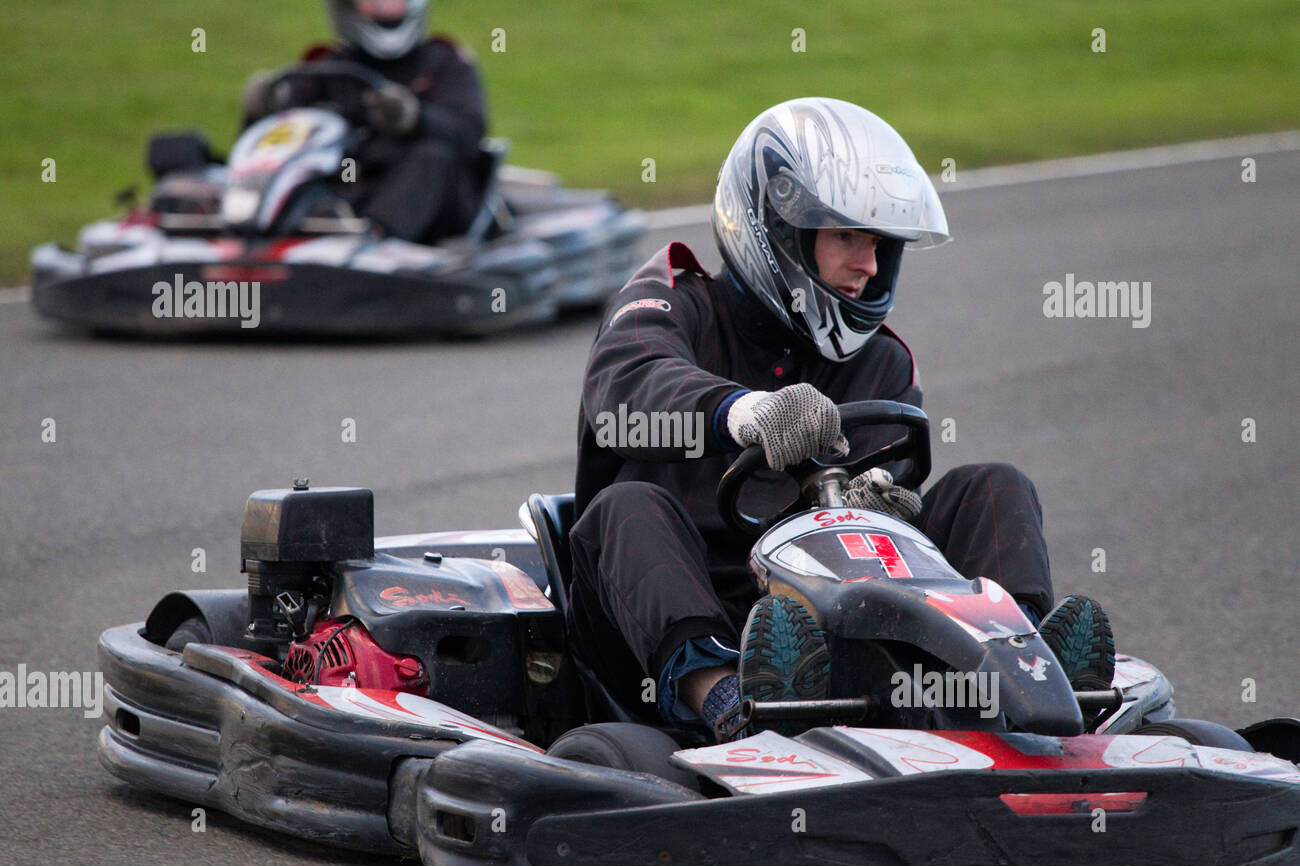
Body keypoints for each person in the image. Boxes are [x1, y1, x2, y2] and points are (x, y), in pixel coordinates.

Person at [566, 97, 1115, 740]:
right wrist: (747, 414)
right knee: (626, 506)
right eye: (847, 237)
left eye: (879, 243)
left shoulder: (880, 362)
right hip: (669, 609)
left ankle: (1021, 674)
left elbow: (884, 527)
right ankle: (730, 706)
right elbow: (626, 384)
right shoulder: (672, 301)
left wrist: (880, 507)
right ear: (777, 230)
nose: (869, 265)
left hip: (822, 614)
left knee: (993, 485)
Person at [240, 0, 486, 243]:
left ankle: (372, 240)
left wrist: (415, 118)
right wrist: (262, 111)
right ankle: (248, 226)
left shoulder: (445, 64)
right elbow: (277, 143)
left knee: (433, 157)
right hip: (349, 192)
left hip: (429, 203)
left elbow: (469, 134)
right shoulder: (327, 67)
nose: (382, 4)